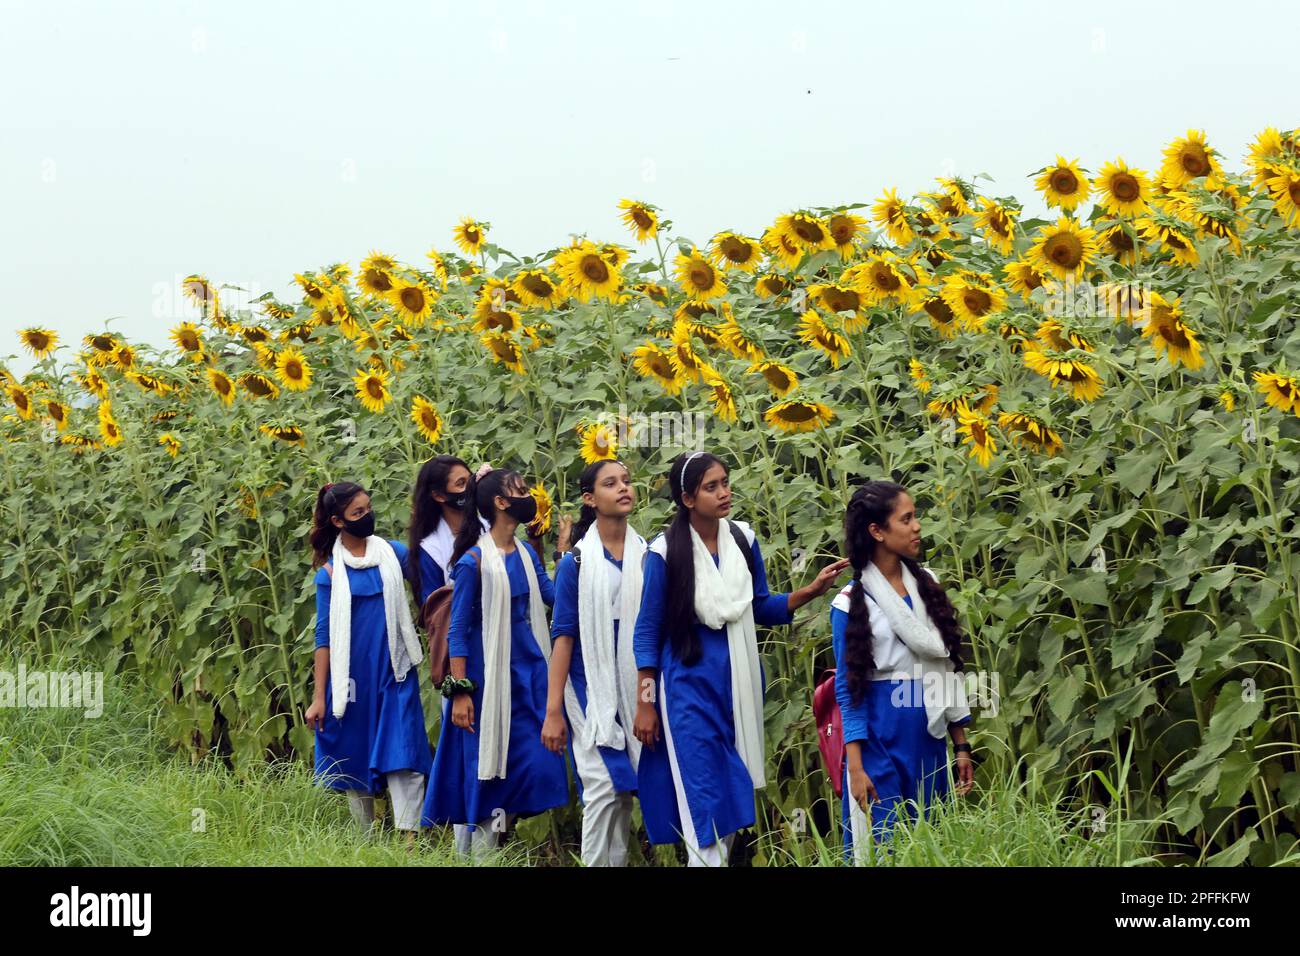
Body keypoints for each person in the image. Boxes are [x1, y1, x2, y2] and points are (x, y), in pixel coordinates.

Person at [632, 451, 849, 866]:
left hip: (737, 685)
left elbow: (759, 607)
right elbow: (647, 632)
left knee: (730, 798)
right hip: (686, 690)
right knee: (704, 801)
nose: (724, 492)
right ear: (688, 498)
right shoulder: (664, 553)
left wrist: (811, 591)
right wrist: (646, 701)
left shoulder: (743, 540)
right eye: (711, 487)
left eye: (725, 483)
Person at [421, 468, 569, 858]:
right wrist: (460, 693)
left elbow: (552, 595)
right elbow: (458, 630)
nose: (530, 496)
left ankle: (484, 849)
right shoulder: (473, 562)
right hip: (487, 679)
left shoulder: (522, 552)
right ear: (501, 503)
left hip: (528, 673)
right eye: (521, 491)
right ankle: (476, 855)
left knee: (532, 763)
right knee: (487, 770)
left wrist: (566, 557)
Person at [831, 480, 974, 864]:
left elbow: (945, 668)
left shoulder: (928, 586)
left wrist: (960, 744)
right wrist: (856, 768)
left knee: (932, 845)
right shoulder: (849, 602)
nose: (916, 527)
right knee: (887, 845)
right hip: (880, 738)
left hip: (927, 735)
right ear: (877, 531)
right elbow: (848, 689)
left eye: (916, 517)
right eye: (905, 519)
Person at [305, 481, 432, 841]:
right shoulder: (330, 575)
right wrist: (319, 697)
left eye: (368, 508)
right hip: (351, 678)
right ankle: (366, 840)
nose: (367, 516)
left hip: (395, 668)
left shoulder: (392, 554)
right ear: (338, 521)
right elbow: (324, 637)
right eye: (357, 513)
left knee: (403, 750)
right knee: (353, 752)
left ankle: (410, 842)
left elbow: (429, 585)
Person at [541, 459, 645, 866]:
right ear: (590, 498)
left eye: (626, 481)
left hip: (635, 682)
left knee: (623, 790)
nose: (623, 488)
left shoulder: (647, 555)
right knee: (601, 785)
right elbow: (562, 637)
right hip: (588, 685)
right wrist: (553, 712)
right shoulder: (577, 564)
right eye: (610, 483)